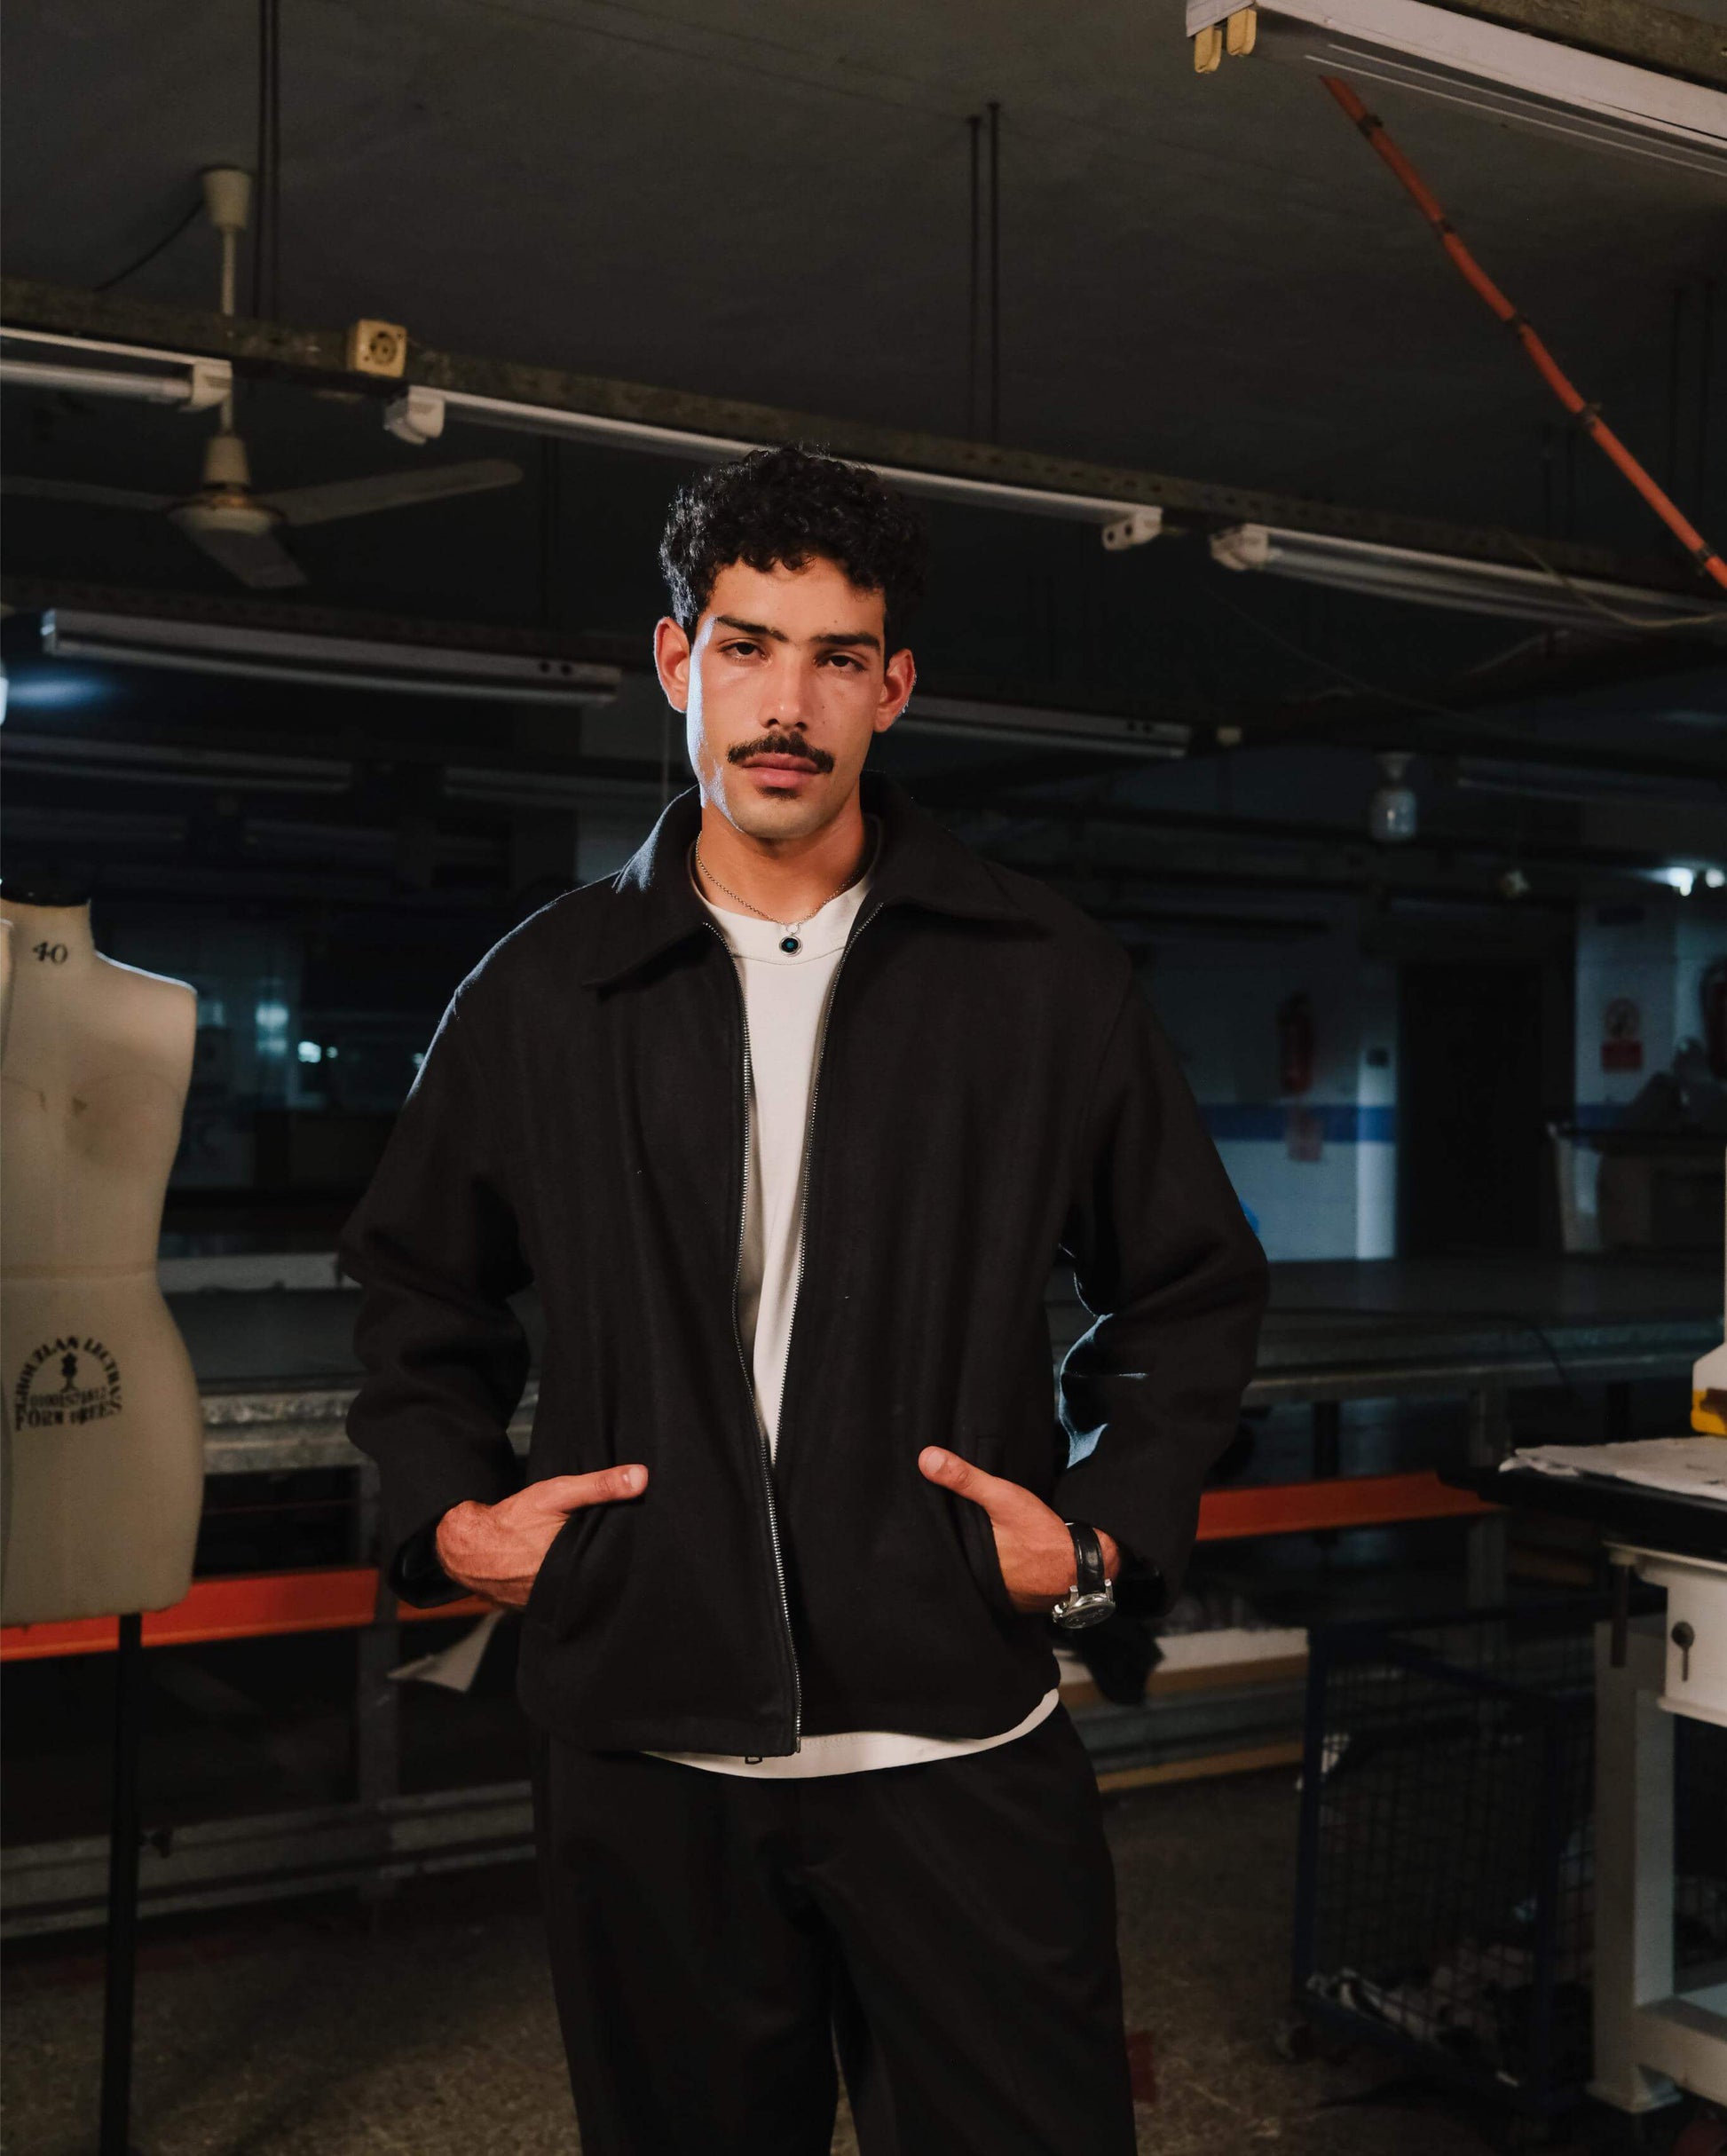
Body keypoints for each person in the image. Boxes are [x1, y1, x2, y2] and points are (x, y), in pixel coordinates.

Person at [339, 443, 1270, 2154]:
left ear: (893, 687)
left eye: (836, 658)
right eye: (748, 646)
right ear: (675, 659)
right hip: (645, 1745)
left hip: (957, 1734)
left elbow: (1191, 1291)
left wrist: (1101, 1532)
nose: (788, 702)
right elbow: (412, 1289)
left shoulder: (1037, 975)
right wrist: (450, 1519)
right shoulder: (546, 993)